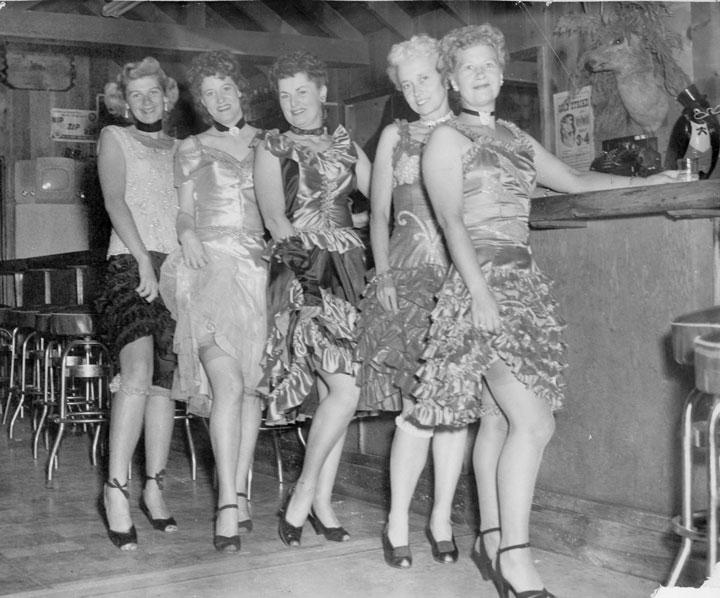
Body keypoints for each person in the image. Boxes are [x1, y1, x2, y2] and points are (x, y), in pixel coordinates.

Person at [416, 24, 678, 598]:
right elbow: (452, 222)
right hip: (480, 285)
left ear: (500, 72)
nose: (481, 74)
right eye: (469, 68)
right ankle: (516, 556)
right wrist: (481, 293)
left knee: (498, 419)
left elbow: (577, 180)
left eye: (489, 65)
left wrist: (650, 179)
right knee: (535, 423)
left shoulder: (513, 136)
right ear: (453, 80)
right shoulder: (443, 140)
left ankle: (490, 539)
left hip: (523, 284)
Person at [354, 35, 465, 569]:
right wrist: (386, 275)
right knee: (418, 410)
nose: (417, 91)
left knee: (456, 412)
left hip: (460, 282)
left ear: (445, 76)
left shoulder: (470, 132)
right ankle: (398, 519)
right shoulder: (395, 136)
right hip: (407, 279)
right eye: (407, 83)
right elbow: (376, 215)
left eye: (425, 78)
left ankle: (441, 517)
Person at [253, 50, 371, 548]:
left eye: (302, 91)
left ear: (323, 92)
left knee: (336, 395)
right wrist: (309, 268)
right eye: (285, 95)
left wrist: (358, 228)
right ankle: (303, 492)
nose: (294, 103)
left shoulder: (346, 143)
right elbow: (275, 218)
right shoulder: (272, 145)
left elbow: (383, 193)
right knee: (345, 389)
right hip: (302, 267)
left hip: (349, 268)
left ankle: (321, 502)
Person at [158, 50, 267, 553]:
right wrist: (190, 237)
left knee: (250, 390)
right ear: (200, 102)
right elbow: (183, 214)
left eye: (226, 89)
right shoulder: (192, 147)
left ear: (240, 90)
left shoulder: (270, 142)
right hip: (211, 269)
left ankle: (241, 492)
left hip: (261, 274)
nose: (220, 100)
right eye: (209, 94)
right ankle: (227, 499)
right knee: (226, 383)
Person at [95, 57, 180, 551]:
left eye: (154, 92)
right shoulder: (115, 138)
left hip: (176, 271)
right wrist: (146, 262)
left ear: (167, 97)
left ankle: (154, 486)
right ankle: (116, 489)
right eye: (137, 94)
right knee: (138, 373)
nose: (146, 100)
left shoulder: (181, 146)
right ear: (124, 101)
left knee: (165, 384)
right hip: (131, 264)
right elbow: (114, 201)